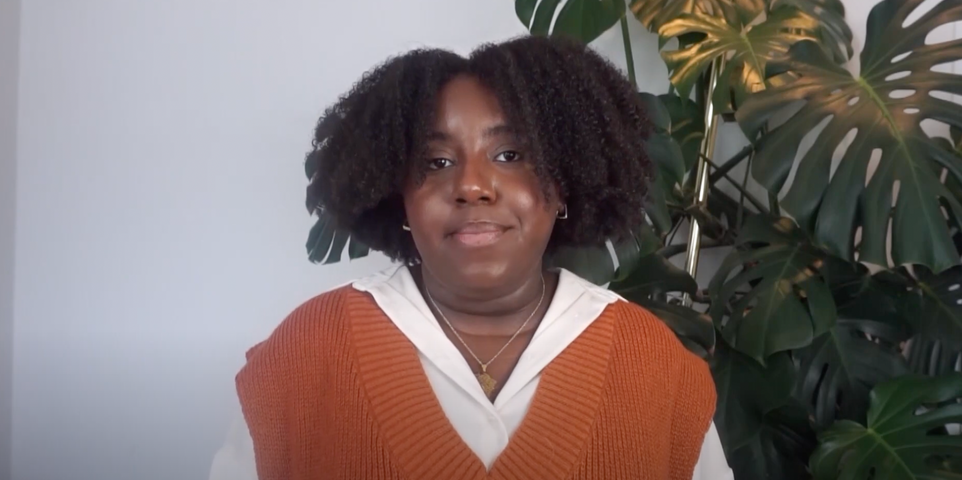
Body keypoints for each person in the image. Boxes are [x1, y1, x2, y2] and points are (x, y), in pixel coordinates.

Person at [209, 35, 732, 480]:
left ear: (567, 179)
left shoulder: (656, 368)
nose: (472, 186)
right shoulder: (301, 359)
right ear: (399, 197)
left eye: (509, 155)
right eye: (436, 161)